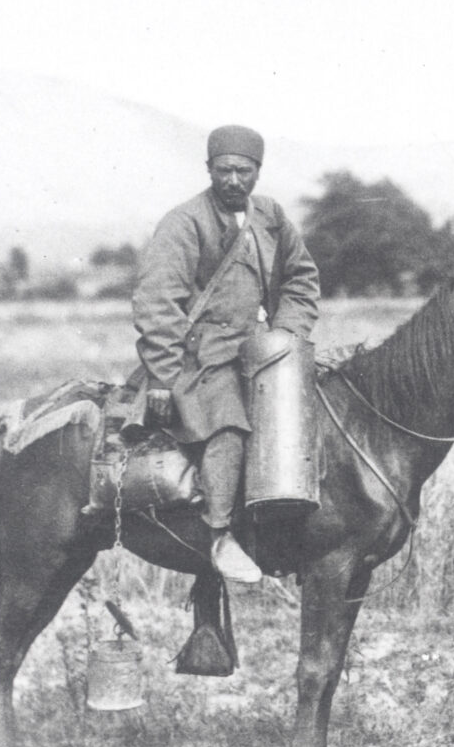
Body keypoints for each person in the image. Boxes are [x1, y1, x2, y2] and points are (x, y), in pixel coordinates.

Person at [127, 123, 322, 583]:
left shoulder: (270, 217)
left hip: (260, 352)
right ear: (209, 169)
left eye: (243, 171)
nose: (233, 180)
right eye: (224, 170)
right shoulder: (184, 222)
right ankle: (219, 535)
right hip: (198, 358)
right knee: (228, 424)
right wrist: (164, 378)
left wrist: (284, 337)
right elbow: (156, 303)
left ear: (258, 171)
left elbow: (302, 279)